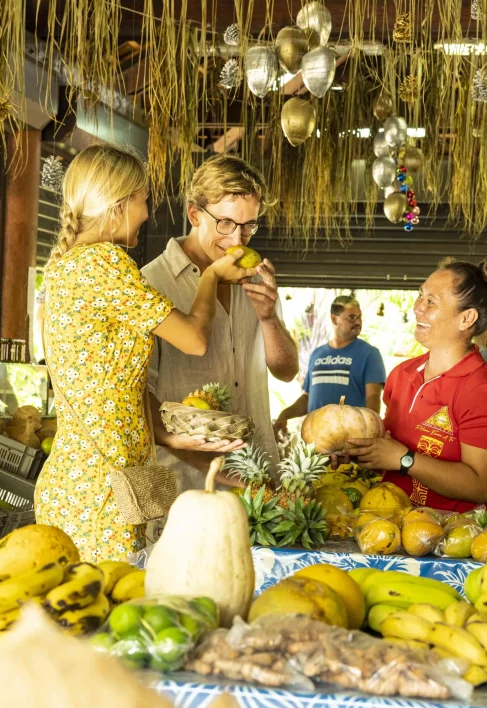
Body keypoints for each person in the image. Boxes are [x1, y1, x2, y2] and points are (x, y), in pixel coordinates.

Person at [35, 144, 253, 562]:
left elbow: (113, 391)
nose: (147, 213)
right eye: (143, 200)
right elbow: (193, 339)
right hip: (102, 488)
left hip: (109, 475)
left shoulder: (70, 265)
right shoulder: (103, 264)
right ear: (118, 204)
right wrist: (210, 277)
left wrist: (173, 436)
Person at [143, 154, 299, 488]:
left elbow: (286, 372)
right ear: (195, 214)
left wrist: (269, 320)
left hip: (260, 476)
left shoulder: (256, 277)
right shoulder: (151, 284)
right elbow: (142, 400)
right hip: (186, 486)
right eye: (225, 223)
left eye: (248, 226)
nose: (237, 241)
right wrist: (224, 473)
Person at [342, 258, 487, 513]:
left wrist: (404, 459)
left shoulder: (485, 393)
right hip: (390, 528)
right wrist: (363, 453)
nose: (417, 308)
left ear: (466, 318)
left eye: (431, 302)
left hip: (455, 540)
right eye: (420, 295)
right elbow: (389, 450)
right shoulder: (401, 374)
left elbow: (482, 486)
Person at [273, 294, 386, 437]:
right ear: (334, 319)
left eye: (359, 317)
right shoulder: (317, 354)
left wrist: (371, 435)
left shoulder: (369, 354)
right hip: (315, 440)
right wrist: (285, 414)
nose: (357, 322)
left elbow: (373, 397)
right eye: (351, 317)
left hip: (351, 441)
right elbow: (307, 398)